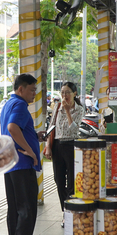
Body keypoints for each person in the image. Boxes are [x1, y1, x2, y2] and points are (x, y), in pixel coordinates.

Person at [0, 74, 45, 235]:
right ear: (21, 89)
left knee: (15, 211)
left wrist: (34, 135)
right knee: (27, 212)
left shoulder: (8, 104)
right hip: (22, 165)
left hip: (11, 166)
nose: (35, 93)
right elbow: (12, 127)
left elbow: (15, 128)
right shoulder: (19, 105)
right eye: (32, 89)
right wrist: (31, 152)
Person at [43, 82, 84, 223]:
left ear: (74, 94)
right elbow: (51, 127)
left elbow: (74, 129)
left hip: (71, 145)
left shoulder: (79, 109)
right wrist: (48, 146)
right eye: (62, 92)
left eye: (67, 92)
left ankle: (70, 212)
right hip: (58, 146)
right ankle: (64, 210)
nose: (64, 95)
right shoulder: (58, 107)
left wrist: (67, 111)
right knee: (59, 180)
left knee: (72, 181)